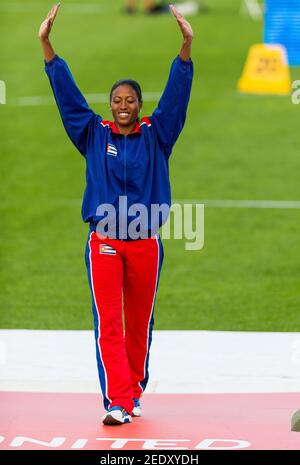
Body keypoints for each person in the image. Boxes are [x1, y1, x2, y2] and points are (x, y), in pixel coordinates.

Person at [39, 3, 193, 425]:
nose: (122, 106)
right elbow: (68, 101)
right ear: (110, 105)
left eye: (129, 101)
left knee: (139, 325)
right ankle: (118, 402)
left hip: (145, 244)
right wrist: (48, 48)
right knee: (109, 325)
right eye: (116, 100)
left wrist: (185, 50)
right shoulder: (93, 133)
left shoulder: (157, 134)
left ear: (140, 106)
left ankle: (134, 389)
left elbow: (177, 101)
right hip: (104, 243)